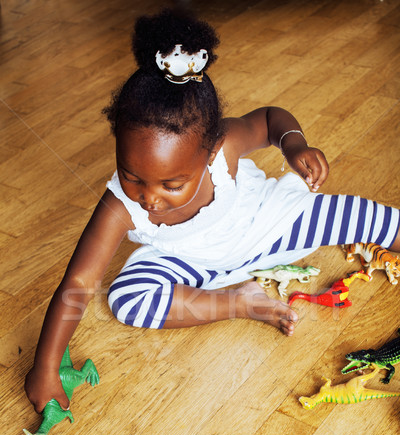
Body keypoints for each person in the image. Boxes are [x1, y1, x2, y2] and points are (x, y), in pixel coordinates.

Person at [25, 8, 400, 414]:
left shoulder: (225, 147)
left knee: (367, 218)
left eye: (172, 185)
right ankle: (239, 302)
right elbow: (78, 282)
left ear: (209, 153)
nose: (149, 198)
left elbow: (271, 119)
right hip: (194, 265)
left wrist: (294, 144)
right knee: (127, 297)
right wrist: (45, 367)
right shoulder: (120, 204)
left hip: (269, 227)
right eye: (131, 175)